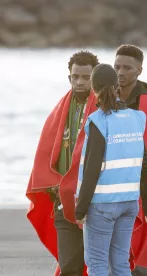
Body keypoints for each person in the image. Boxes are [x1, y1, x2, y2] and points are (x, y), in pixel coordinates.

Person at [75, 63, 147, 276]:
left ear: (94, 90)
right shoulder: (137, 118)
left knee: (97, 263)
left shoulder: (98, 121)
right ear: (116, 86)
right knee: (121, 263)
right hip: (129, 203)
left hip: (102, 204)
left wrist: (81, 208)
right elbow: (145, 163)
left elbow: (92, 169)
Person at [26, 51, 99, 276]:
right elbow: (45, 154)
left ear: (95, 78)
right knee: (69, 267)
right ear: (69, 78)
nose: (79, 82)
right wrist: (52, 186)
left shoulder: (105, 110)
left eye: (86, 77)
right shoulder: (59, 112)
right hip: (64, 201)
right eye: (75, 77)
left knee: (98, 266)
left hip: (97, 203)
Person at [114, 44, 147, 275]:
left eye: (127, 68)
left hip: (142, 194)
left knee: (141, 263)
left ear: (139, 71)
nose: (120, 73)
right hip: (111, 191)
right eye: (116, 67)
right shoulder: (105, 100)